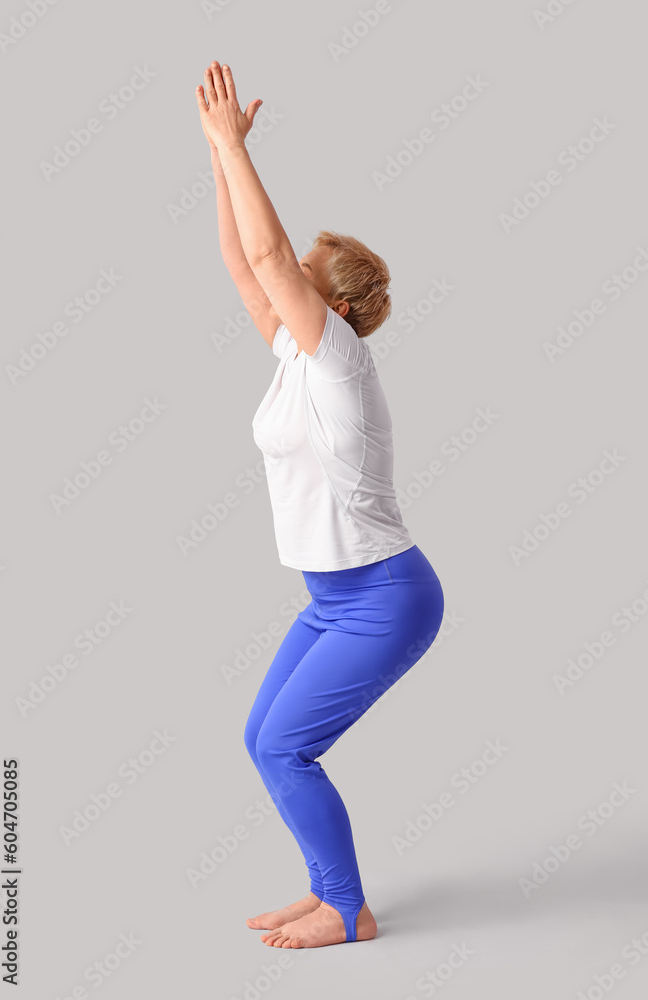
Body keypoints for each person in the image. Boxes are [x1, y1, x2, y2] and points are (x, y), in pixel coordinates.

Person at [196, 62, 444, 949]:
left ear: (334, 307)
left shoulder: (337, 357)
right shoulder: (296, 359)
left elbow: (268, 257)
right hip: (333, 599)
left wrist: (234, 144)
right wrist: (221, 160)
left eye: (303, 275)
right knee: (262, 738)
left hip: (384, 599)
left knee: (282, 749)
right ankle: (327, 888)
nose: (284, 280)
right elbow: (243, 261)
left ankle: (347, 908)